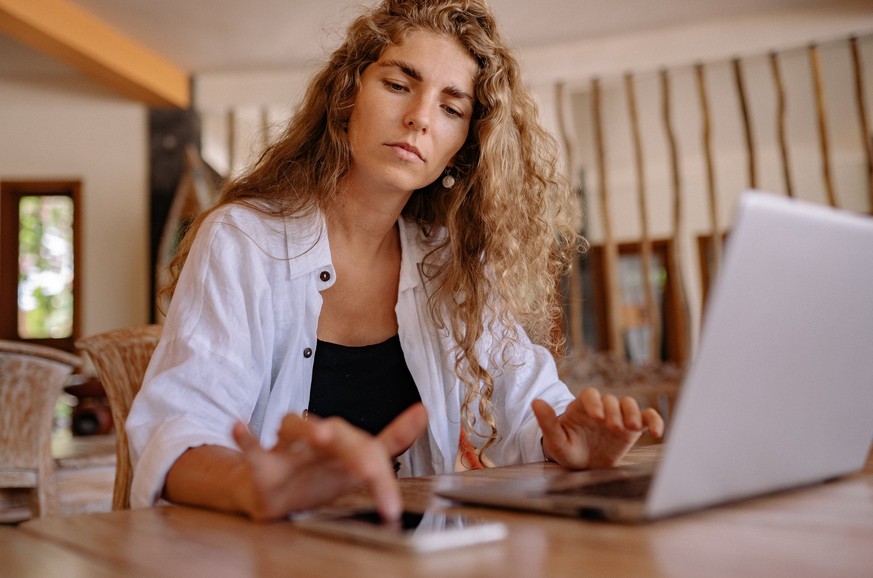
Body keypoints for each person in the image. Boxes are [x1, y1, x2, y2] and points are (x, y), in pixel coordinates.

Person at [126, 0, 664, 523]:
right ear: (347, 95)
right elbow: (177, 429)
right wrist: (250, 483)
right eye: (398, 84)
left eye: (451, 109)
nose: (419, 119)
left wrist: (569, 442)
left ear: (463, 148)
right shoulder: (242, 240)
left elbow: (532, 409)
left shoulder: (451, 266)